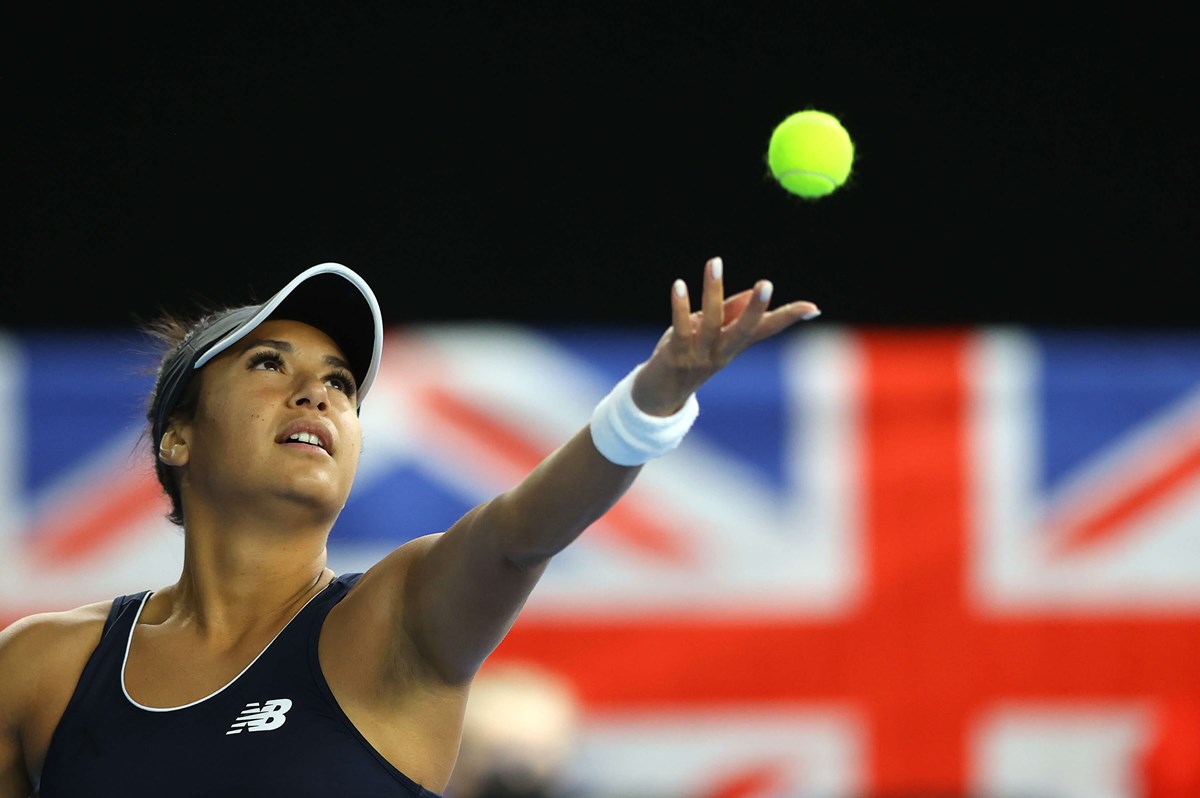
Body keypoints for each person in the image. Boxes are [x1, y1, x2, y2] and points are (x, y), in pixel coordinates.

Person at [0, 258, 819, 797]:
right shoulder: (38, 666)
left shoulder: (394, 621)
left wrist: (656, 397)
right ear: (178, 436)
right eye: (268, 362)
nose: (318, 394)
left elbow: (518, 533)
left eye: (341, 384)